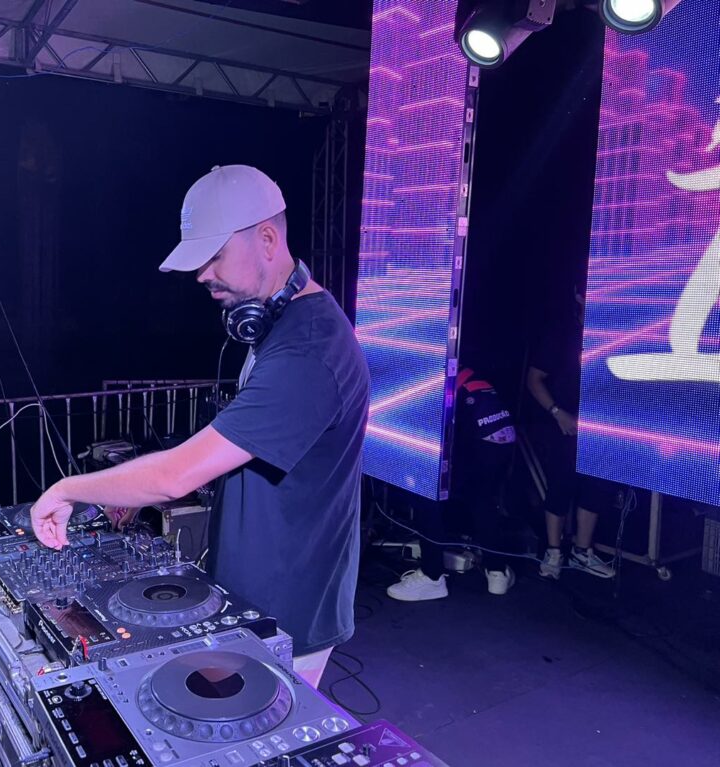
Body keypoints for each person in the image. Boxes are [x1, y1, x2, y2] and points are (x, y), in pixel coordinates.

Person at [30, 165, 369, 688]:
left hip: (288, 612)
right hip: (257, 599)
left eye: (215, 257)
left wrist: (69, 489)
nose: (202, 275)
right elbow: (240, 453)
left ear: (267, 239)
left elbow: (176, 474)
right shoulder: (281, 328)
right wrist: (133, 490)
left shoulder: (309, 351)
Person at [386, 367, 518, 601]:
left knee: (426, 493)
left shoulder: (423, 372)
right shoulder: (462, 371)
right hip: (501, 436)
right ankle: (497, 572)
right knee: (483, 501)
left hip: (471, 434)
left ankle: (432, 576)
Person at [526, 285, 615, 579]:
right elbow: (534, 379)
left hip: (599, 426)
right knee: (560, 485)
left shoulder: (610, 333)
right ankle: (553, 552)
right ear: (579, 297)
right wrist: (557, 412)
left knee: (596, 486)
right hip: (564, 424)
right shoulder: (561, 334)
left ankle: (581, 552)